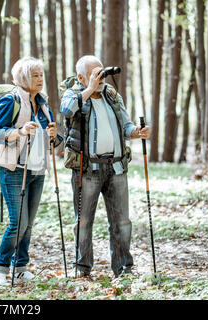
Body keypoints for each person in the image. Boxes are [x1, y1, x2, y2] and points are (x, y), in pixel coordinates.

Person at [60, 55, 150, 277]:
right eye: (94, 73)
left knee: (122, 221)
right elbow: (67, 111)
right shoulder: (74, 93)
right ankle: (82, 267)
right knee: (83, 221)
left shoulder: (111, 94)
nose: (101, 77)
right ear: (81, 76)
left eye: (102, 72)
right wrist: (89, 89)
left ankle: (123, 267)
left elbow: (125, 124)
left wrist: (136, 133)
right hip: (88, 170)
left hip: (117, 167)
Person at [0, 57, 63, 285]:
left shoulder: (43, 104)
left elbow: (55, 141)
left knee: (28, 224)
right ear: (23, 77)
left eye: (41, 75)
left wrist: (54, 135)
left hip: (37, 170)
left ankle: (20, 267)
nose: (40, 79)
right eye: (35, 75)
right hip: (14, 170)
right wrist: (20, 131)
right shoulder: (10, 101)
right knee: (18, 223)